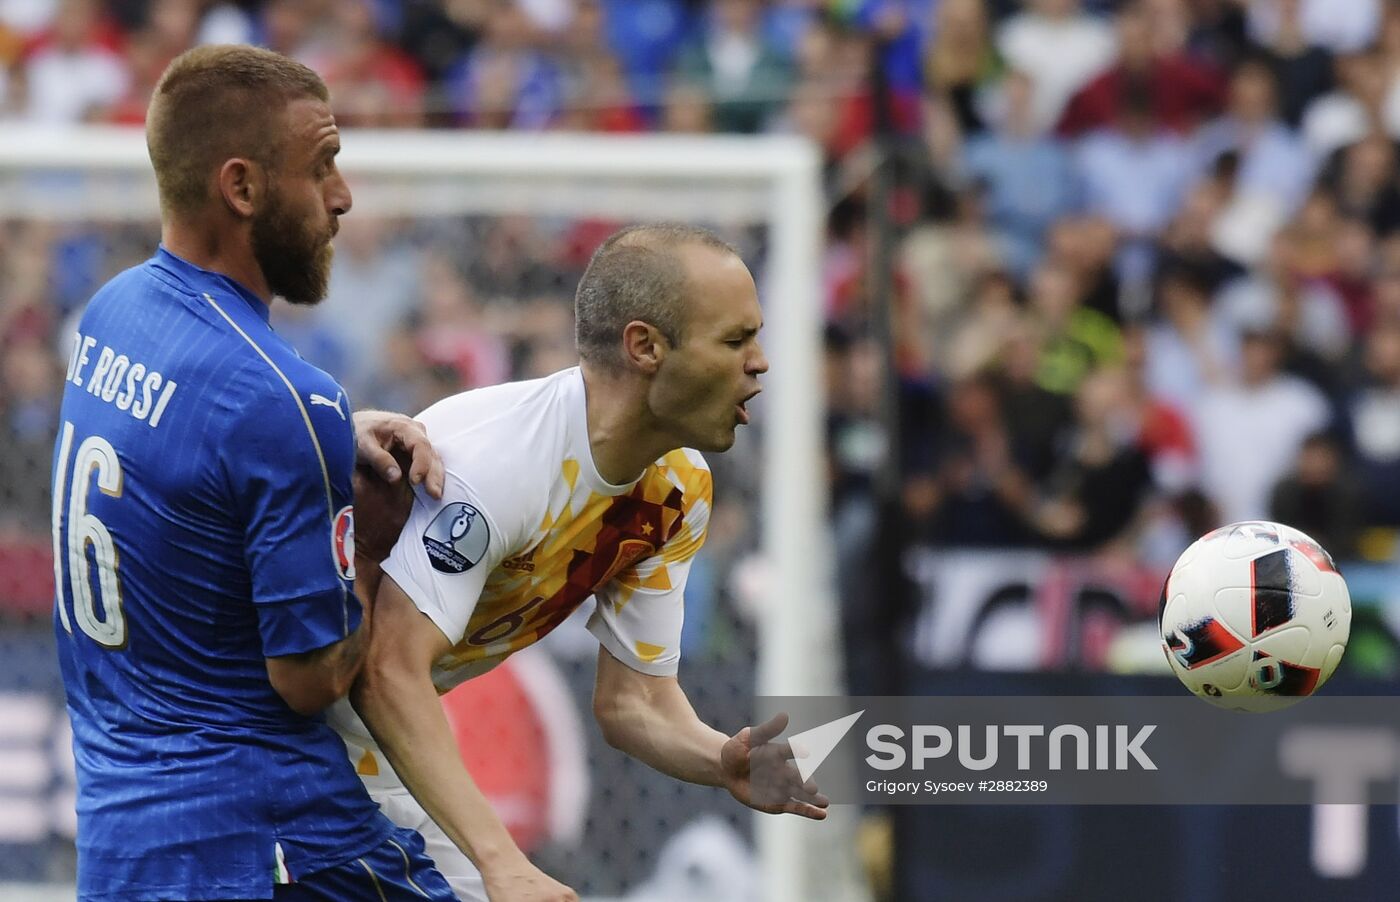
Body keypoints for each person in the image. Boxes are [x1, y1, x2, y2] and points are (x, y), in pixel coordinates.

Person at [52, 44, 454, 900]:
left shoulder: (112, 313)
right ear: (242, 188)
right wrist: (368, 552)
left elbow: (189, 481)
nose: (343, 198)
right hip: (270, 847)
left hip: (125, 849)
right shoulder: (281, 400)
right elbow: (309, 677)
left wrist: (320, 437)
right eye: (323, 167)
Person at [332, 225, 829, 902]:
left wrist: (720, 760)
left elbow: (634, 702)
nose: (761, 362)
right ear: (646, 346)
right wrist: (501, 860)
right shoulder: (500, 462)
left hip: (367, 750)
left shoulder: (676, 489)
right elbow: (387, 670)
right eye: (736, 340)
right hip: (259, 732)